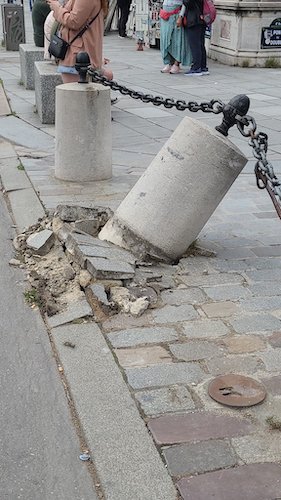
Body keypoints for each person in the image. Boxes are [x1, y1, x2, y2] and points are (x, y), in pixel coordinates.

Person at [46, 0, 107, 83]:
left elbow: (74, 21)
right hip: (77, 52)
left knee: (73, 94)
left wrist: (57, 8)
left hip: (76, 55)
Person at [159, 0, 191, 74]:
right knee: (165, 38)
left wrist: (181, 16)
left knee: (177, 39)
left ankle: (176, 63)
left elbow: (185, 3)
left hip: (176, 12)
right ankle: (169, 62)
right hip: (165, 12)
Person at [182, 0, 209, 76]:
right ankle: (203, 67)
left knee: (195, 45)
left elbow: (188, 3)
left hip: (193, 19)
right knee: (200, 44)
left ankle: (196, 68)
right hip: (201, 19)